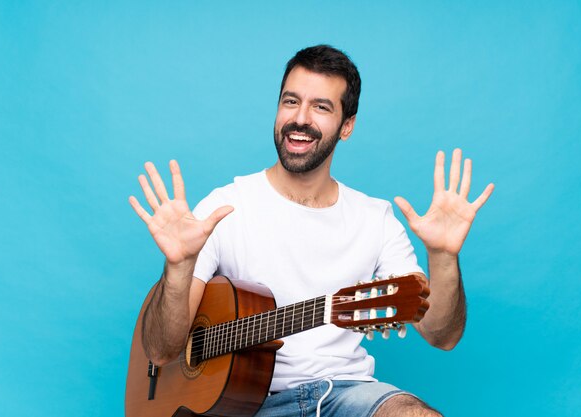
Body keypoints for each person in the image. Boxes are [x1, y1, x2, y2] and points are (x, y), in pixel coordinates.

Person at [129, 45, 494, 417]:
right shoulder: (224, 208)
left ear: (347, 126)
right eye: (291, 101)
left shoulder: (375, 218)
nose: (299, 118)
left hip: (346, 394)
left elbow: (441, 335)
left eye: (320, 107)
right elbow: (160, 351)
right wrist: (177, 269)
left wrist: (444, 257)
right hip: (242, 406)